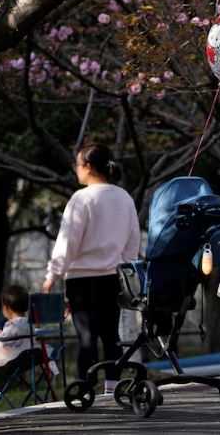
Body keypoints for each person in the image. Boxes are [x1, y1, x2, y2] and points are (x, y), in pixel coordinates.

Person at [42, 143, 141, 395]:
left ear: (87, 167)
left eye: (77, 165)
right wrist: (126, 267)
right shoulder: (124, 198)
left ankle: (85, 387)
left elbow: (67, 242)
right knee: (111, 336)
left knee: (87, 337)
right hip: (113, 278)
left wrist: (52, 275)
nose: (76, 170)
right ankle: (113, 387)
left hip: (82, 281)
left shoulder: (81, 198)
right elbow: (133, 240)